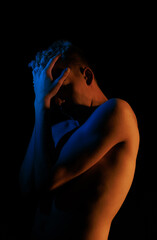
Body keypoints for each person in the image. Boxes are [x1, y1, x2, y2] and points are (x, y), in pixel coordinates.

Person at [19, 40, 140, 240]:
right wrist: (40, 107)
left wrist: (42, 104)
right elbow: (26, 190)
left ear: (87, 75)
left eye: (59, 84)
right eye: (48, 86)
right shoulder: (60, 127)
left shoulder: (117, 112)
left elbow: (46, 183)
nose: (55, 97)